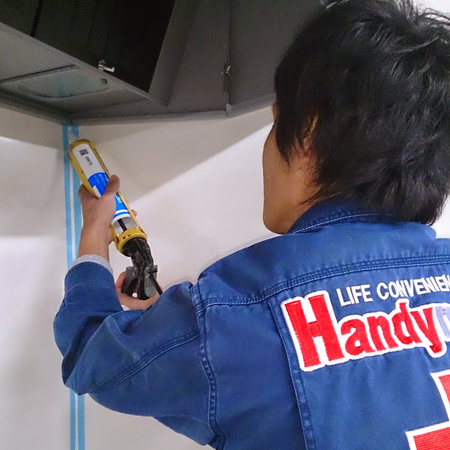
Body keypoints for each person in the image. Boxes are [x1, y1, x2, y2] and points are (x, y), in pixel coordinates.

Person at [54, 0, 450, 448]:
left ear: (308, 134)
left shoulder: (239, 314)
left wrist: (94, 230)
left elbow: (91, 356)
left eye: (275, 124)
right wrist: (186, 329)